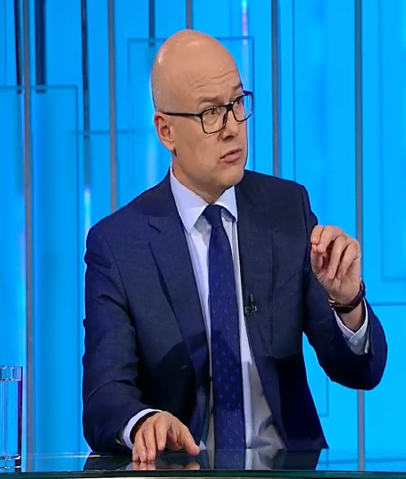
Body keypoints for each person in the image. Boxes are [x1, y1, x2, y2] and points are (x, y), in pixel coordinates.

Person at [81, 29, 388, 465]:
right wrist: (144, 421)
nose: (232, 128)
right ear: (166, 130)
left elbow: (359, 371)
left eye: (237, 103)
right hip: (181, 470)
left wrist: (348, 302)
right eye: (210, 112)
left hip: (285, 470)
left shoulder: (287, 210)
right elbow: (103, 396)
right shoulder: (118, 245)